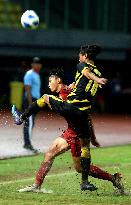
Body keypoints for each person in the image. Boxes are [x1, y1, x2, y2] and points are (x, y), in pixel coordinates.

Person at [12, 44, 107, 191]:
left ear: (85, 56)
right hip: (81, 117)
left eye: (80, 55)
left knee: (44, 98)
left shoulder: (82, 68)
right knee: (79, 153)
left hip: (72, 119)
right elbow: (85, 84)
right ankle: (86, 182)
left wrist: (95, 79)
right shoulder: (97, 73)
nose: (79, 57)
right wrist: (93, 136)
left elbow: (87, 73)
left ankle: (21, 117)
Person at [16, 69, 124, 193]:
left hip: (77, 135)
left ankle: (113, 178)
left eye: (50, 81)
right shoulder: (65, 92)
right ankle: (36, 186)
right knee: (49, 154)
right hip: (70, 132)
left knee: (80, 168)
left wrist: (92, 137)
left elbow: (85, 116)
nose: (48, 84)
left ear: (58, 80)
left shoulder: (67, 94)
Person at [23, 57, 42, 152]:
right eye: (36, 63)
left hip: (35, 101)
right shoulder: (29, 74)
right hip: (30, 100)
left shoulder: (36, 75)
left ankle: (27, 143)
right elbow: (27, 89)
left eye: (39, 64)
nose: (38, 65)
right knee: (29, 123)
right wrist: (31, 104)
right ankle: (28, 144)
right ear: (32, 65)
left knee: (31, 122)